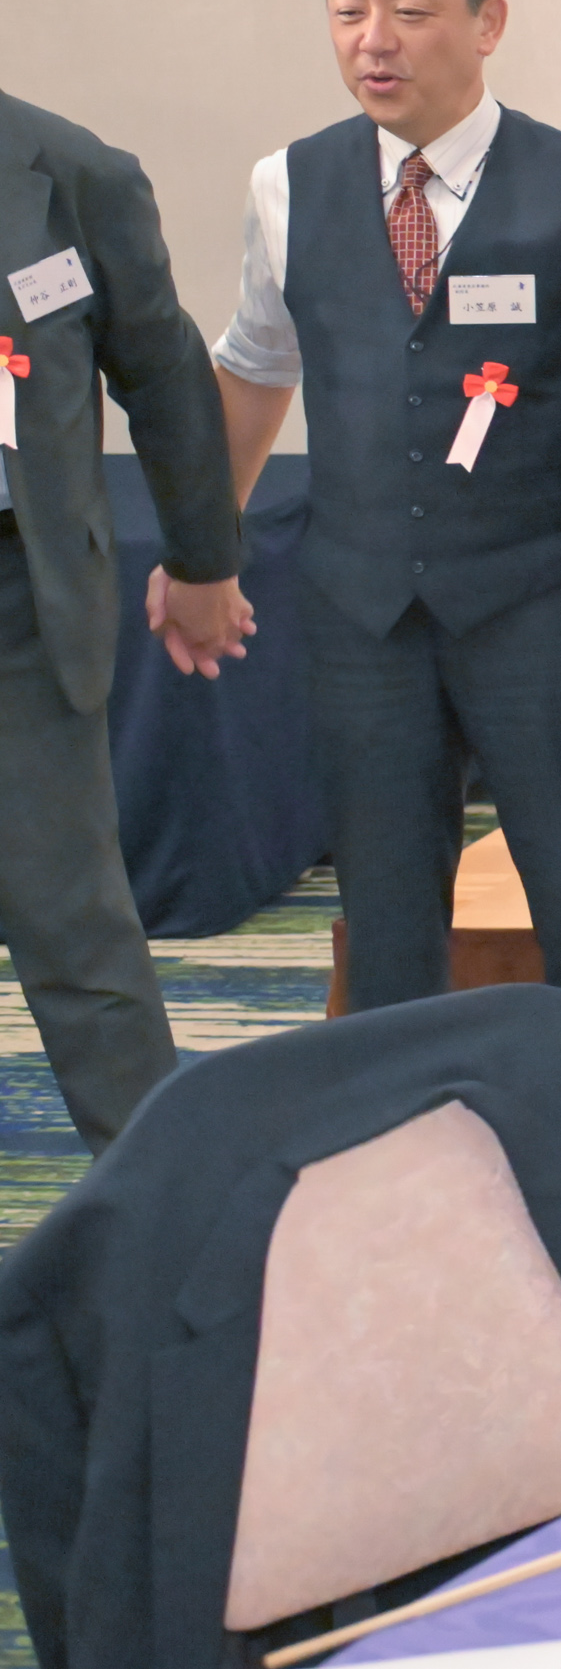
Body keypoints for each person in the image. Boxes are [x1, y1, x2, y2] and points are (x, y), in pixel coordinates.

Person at [177, 0, 561, 1040]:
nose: (373, 41)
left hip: (543, 600)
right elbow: (255, 369)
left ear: (487, 20)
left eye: (407, 9)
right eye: (347, 10)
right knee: (387, 915)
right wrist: (203, 549)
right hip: (361, 612)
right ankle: (402, 1132)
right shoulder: (286, 184)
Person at [0, 92, 246, 1149]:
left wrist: (203, 560)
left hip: (19, 596)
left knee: (74, 923)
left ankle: (163, 1205)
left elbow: (163, 372)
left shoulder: (72, 171)